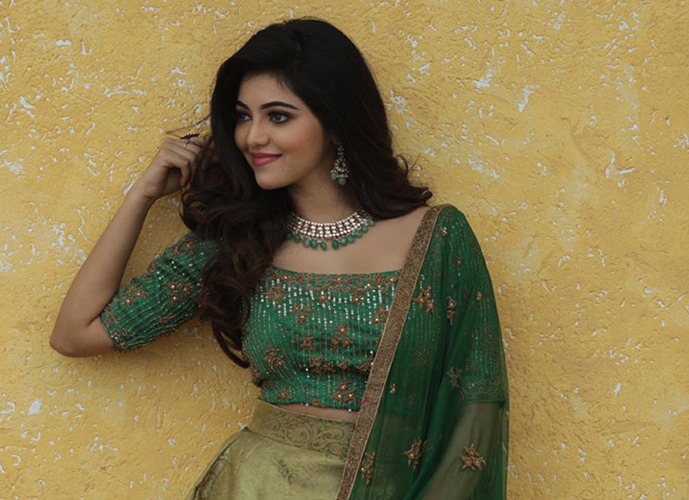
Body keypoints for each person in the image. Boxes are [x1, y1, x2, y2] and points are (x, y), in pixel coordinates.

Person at [49, 17, 509, 500]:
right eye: (242, 116)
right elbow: (75, 334)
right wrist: (140, 197)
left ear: (335, 122)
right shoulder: (238, 240)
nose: (252, 137)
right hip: (257, 485)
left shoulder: (436, 241)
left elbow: (475, 409)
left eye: (279, 116)